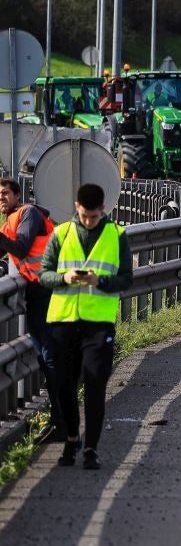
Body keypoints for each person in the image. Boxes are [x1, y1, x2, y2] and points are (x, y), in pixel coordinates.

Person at [39, 182, 133, 469]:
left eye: (93, 216)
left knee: (94, 385)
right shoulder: (61, 233)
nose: (88, 221)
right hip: (63, 321)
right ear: (77, 208)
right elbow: (44, 274)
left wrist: (100, 281)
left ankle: (91, 448)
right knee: (63, 385)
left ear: (102, 209)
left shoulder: (116, 235)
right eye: (84, 215)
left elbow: (126, 279)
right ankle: (71, 439)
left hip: (98, 324)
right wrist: (64, 278)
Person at [0, 179, 61, 441]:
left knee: (48, 355)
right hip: (36, 293)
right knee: (43, 353)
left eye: (5, 193)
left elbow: (22, 247)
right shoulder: (10, 222)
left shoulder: (29, 214)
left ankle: (62, 422)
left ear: (17, 195)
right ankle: (60, 420)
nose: (1, 198)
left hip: (47, 290)